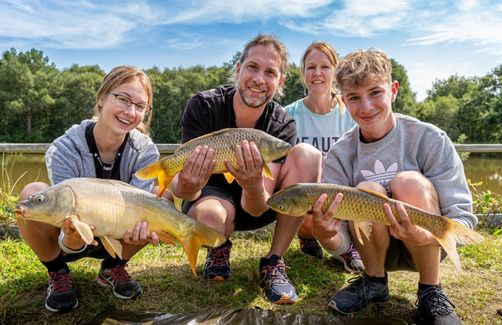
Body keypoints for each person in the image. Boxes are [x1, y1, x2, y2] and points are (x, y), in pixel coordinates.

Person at [313, 49, 477, 324]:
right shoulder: (339, 154)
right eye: (354, 97)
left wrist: (426, 235)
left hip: (428, 244)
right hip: (374, 249)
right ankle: (374, 281)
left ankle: (430, 291)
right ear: (343, 101)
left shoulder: (429, 138)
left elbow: (461, 215)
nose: (366, 107)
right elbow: (340, 239)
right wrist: (326, 236)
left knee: (408, 182)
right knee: (367, 189)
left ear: (393, 90)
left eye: (375, 92)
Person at [170, 34, 322, 304]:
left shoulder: (281, 124)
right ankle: (219, 246)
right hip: (210, 197)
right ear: (238, 68)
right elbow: (184, 189)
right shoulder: (204, 105)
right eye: (252, 67)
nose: (259, 80)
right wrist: (188, 184)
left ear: (280, 81)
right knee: (209, 217)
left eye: (270, 72)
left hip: (260, 201)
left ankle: (273, 261)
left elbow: (256, 208)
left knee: (308, 155)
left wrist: (252, 183)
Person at [16, 66, 164, 313]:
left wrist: (141, 230)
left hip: (120, 233)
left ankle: (113, 267)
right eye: (123, 99)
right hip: (68, 236)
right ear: (102, 98)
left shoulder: (146, 151)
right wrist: (73, 240)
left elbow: (142, 211)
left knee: (159, 200)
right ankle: (58, 273)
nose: (130, 112)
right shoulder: (63, 148)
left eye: (140, 106)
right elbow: (66, 232)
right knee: (31, 193)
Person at [283, 41, 363, 274]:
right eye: (311, 67)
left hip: (345, 192)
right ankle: (307, 236)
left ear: (335, 72)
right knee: (307, 210)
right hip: (309, 195)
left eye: (325, 67)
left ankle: (350, 246)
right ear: (303, 73)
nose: (317, 73)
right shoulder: (288, 115)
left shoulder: (350, 113)